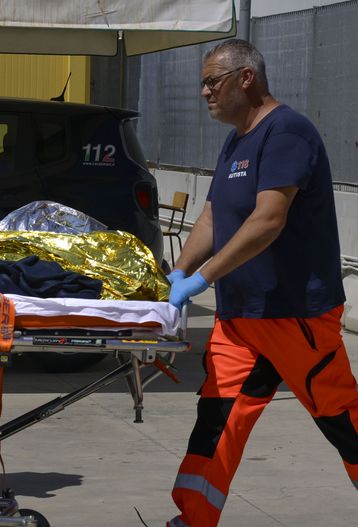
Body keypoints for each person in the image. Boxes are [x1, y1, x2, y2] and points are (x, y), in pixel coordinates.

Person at [164, 39, 358, 527]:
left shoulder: (287, 132)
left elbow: (268, 220)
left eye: (213, 81)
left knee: (340, 418)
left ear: (245, 78)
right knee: (217, 419)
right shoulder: (237, 138)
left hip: (293, 314)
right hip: (241, 316)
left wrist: (203, 278)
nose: (205, 92)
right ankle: (192, 519)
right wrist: (180, 272)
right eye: (203, 83)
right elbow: (212, 215)